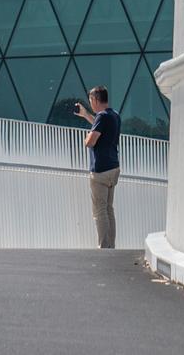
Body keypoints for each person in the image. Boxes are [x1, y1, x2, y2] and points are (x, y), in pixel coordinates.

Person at [72, 85, 122, 248]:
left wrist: (86, 138)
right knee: (108, 209)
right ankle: (110, 245)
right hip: (113, 167)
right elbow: (101, 127)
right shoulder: (114, 115)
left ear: (95, 99)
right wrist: (86, 115)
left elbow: (90, 141)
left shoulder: (102, 116)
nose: (90, 103)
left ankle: (103, 246)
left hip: (100, 170)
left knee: (99, 211)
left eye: (91, 101)